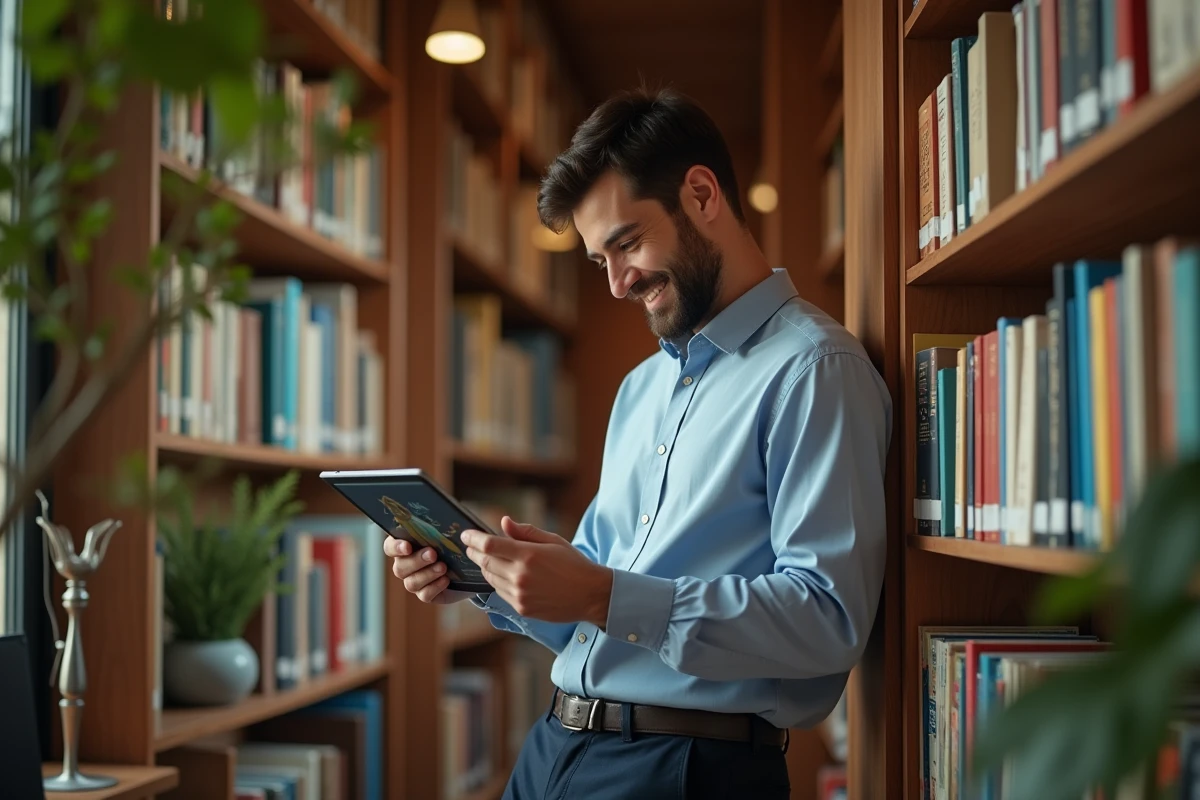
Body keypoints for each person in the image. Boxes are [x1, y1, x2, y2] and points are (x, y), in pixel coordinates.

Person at [383, 87, 892, 799]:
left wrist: (599, 592)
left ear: (703, 194)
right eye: (601, 260)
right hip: (550, 752)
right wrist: (491, 582)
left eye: (627, 243)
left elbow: (828, 619)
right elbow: (599, 611)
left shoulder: (816, 371)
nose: (619, 283)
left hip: (687, 770)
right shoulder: (639, 390)